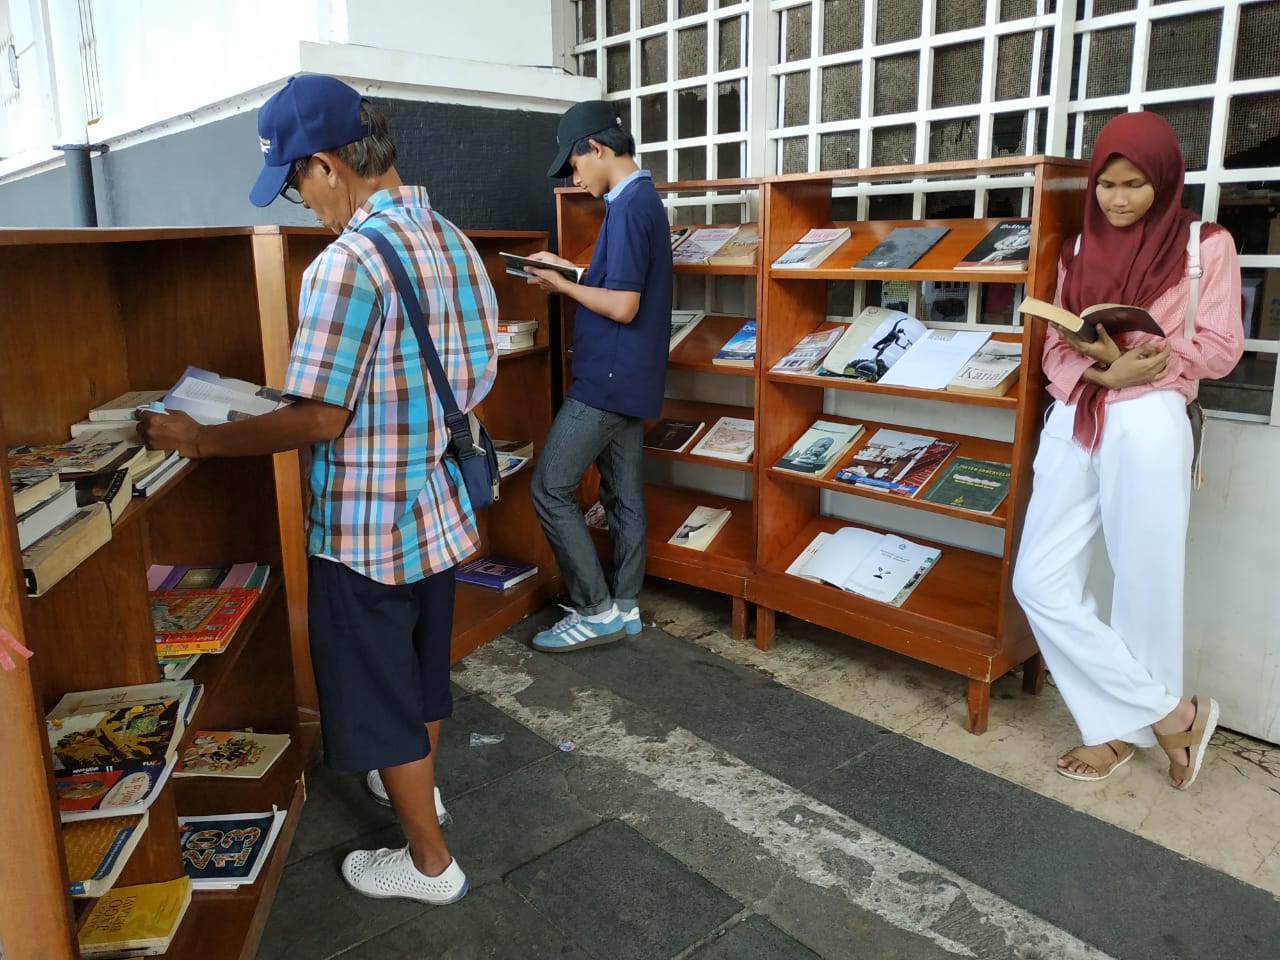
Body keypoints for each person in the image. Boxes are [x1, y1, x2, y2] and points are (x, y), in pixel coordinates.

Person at [139, 74, 497, 903]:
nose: (301, 203)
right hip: (438, 507)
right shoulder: (450, 238)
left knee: (375, 700)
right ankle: (416, 785)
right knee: (418, 680)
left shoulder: (344, 265)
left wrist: (201, 436)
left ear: (330, 164)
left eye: (298, 180)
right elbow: (469, 375)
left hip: (366, 528)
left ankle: (429, 864)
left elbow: (319, 421)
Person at [1012, 111, 1243, 789]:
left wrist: (1144, 361)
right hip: (1078, 413)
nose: (1117, 199)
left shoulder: (1208, 245)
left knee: (1146, 581)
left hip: (1148, 418)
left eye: (1134, 184)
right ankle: (1176, 713)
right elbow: (1056, 344)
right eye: (1106, 184)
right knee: (1040, 581)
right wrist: (1096, 370)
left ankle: (1118, 732)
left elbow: (1223, 347)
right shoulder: (1079, 251)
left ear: (1164, 180)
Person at [519, 100, 674, 653]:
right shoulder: (638, 201)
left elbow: (625, 306)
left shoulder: (629, 208)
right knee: (623, 495)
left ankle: (595, 609)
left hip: (606, 379)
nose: (575, 176)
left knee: (549, 487)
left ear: (599, 149)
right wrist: (572, 271)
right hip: (630, 377)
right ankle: (625, 606)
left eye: (576, 164)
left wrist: (563, 287)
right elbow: (621, 282)